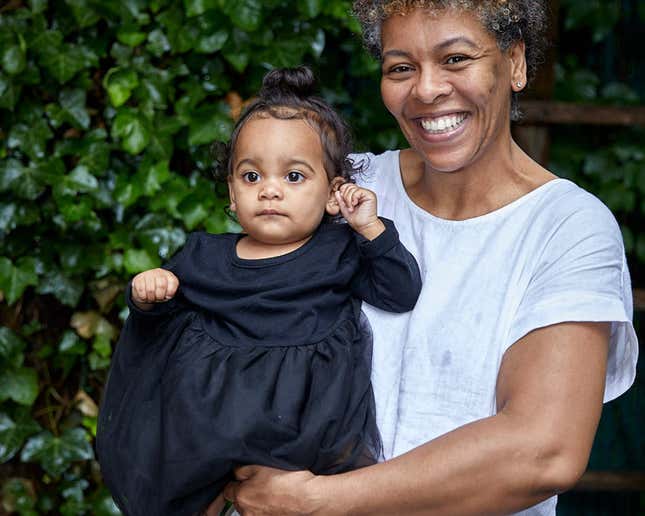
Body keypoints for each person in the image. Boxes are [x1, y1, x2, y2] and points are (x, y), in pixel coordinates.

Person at [216, 1, 639, 515]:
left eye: (456, 59)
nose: (426, 89)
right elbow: (235, 328)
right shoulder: (348, 192)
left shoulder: (567, 228)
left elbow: (543, 451)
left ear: (516, 63)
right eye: (400, 67)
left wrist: (320, 502)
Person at [95, 66, 422, 516]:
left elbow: (399, 290)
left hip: (302, 424)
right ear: (231, 194)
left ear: (333, 194)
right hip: (208, 419)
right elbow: (160, 325)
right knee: (188, 490)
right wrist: (150, 295)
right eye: (251, 177)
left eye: (293, 177)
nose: (269, 190)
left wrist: (369, 228)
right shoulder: (203, 256)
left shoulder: (338, 249)